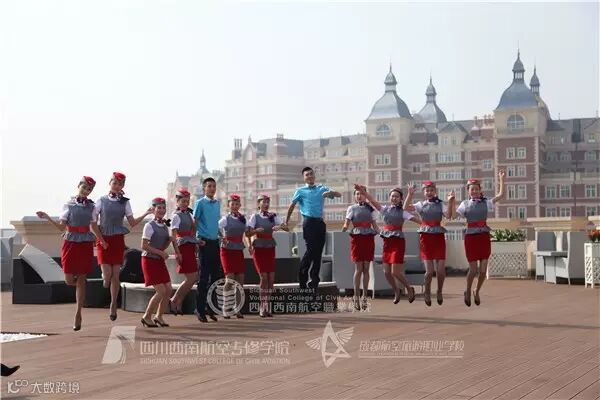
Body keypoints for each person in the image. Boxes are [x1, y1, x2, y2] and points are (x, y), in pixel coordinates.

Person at [36, 176, 99, 331]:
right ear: (79, 186)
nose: (86, 191)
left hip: (85, 242)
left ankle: (78, 314)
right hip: (70, 242)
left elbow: (94, 226)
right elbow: (60, 227)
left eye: (89, 189)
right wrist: (47, 217)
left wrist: (101, 240)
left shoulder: (92, 206)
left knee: (82, 278)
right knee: (69, 280)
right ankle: (81, 289)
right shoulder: (68, 205)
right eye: (84, 187)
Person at [91, 171, 152, 321]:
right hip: (103, 239)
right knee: (107, 275)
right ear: (110, 183)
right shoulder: (101, 201)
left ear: (123, 186)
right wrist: (101, 240)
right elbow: (93, 223)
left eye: (120, 184)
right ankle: (105, 279)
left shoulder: (125, 202)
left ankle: (113, 304)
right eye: (115, 183)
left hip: (117, 240)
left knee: (116, 275)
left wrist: (146, 213)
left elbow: (132, 222)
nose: (117, 186)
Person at [355, 184, 421, 304]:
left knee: (395, 272)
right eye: (392, 196)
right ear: (389, 197)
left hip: (398, 243)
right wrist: (363, 192)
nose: (394, 198)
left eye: (397, 196)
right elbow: (372, 200)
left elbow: (419, 221)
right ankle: (396, 291)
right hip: (387, 242)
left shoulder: (403, 212)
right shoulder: (384, 209)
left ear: (401, 199)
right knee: (386, 272)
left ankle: (409, 288)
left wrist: (410, 194)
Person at [285, 167, 341, 290]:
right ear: (304, 178)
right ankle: (302, 277)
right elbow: (292, 206)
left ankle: (314, 281)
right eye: (307, 175)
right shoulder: (300, 191)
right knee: (311, 250)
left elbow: (339, 194)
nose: (310, 176)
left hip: (320, 223)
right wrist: (286, 222)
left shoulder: (321, 188)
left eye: (311, 174)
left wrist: (330, 193)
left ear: (314, 175)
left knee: (318, 253)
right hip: (309, 222)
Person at [456, 171, 505, 306]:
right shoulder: (464, 204)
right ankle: (467, 290)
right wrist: (451, 201)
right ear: (468, 191)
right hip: (471, 238)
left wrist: (501, 179)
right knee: (473, 270)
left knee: (483, 271)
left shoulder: (486, 202)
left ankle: (476, 291)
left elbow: (500, 195)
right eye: (472, 189)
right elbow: (454, 215)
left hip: (483, 236)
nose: (474, 191)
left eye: (476, 189)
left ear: (480, 190)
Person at [403, 181, 455, 306]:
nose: (429, 192)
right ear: (424, 192)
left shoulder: (440, 204)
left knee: (441, 271)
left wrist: (450, 201)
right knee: (429, 272)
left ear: (435, 191)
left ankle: (439, 291)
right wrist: (410, 194)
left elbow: (448, 215)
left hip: (438, 237)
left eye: (431, 190)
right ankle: (427, 292)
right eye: (427, 190)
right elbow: (405, 208)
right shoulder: (420, 205)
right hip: (426, 238)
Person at [140, 197, 179, 327]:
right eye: (159, 208)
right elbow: (144, 246)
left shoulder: (165, 225)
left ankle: (159, 316)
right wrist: (161, 253)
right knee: (161, 291)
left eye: (163, 208)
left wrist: (170, 240)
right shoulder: (149, 225)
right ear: (153, 209)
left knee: (168, 289)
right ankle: (146, 316)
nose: (162, 210)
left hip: (158, 260)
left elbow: (163, 246)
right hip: (149, 260)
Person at [246, 194, 288, 317]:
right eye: (263, 202)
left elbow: (287, 228)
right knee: (263, 277)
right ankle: (262, 306)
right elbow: (247, 233)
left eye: (267, 202)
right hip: (259, 248)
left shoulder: (273, 216)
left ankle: (266, 306)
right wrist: (255, 231)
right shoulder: (254, 217)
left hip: (270, 247)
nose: (266, 204)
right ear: (258, 203)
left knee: (271, 279)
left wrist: (280, 226)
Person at [341, 188, 379, 311]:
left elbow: (375, 226)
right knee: (358, 269)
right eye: (357, 194)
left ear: (366, 195)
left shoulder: (371, 209)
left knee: (366, 268)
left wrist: (383, 233)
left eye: (362, 193)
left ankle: (364, 296)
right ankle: (356, 296)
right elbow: (346, 223)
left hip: (368, 238)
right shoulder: (351, 208)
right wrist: (344, 229)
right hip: (357, 239)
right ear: (354, 196)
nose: (359, 196)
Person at [193, 177, 222, 323]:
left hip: (215, 243)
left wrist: (222, 236)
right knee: (203, 278)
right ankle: (199, 309)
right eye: (209, 186)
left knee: (215, 277)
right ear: (204, 188)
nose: (212, 189)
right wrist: (195, 240)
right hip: (204, 243)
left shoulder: (217, 204)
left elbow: (215, 223)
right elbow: (195, 222)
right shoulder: (200, 203)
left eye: (214, 186)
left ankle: (210, 308)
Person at [169, 188, 200, 315]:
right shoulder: (176, 216)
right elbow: (173, 237)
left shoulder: (189, 214)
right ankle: (174, 300)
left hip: (189, 246)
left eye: (187, 201)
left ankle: (178, 301)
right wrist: (177, 253)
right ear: (177, 201)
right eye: (183, 201)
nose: (185, 203)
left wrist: (196, 243)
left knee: (192, 278)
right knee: (191, 277)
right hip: (182, 248)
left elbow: (192, 231)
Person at [218, 194, 250, 319]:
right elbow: (216, 229)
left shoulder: (243, 219)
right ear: (229, 205)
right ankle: (225, 307)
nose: (235, 206)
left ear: (240, 205)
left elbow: (248, 233)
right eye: (233, 204)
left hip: (238, 249)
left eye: (237, 204)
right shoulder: (225, 219)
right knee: (230, 279)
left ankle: (238, 308)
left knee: (240, 280)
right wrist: (222, 238)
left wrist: (255, 235)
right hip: (227, 250)